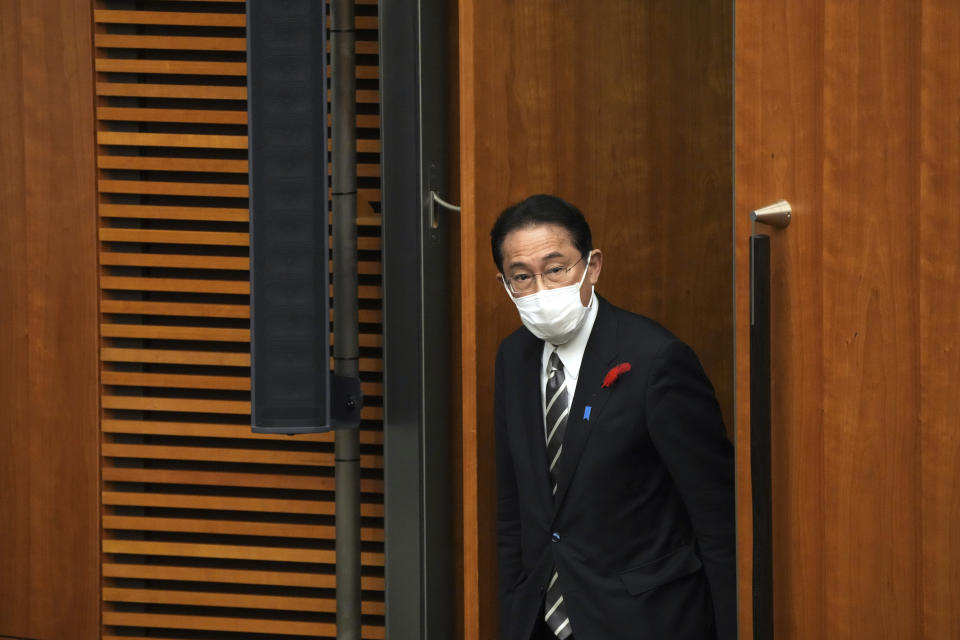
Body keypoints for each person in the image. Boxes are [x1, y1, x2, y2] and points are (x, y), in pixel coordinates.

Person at [492, 195, 736, 640]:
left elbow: (716, 512)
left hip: (645, 617)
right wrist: (515, 610)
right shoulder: (514, 357)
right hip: (542, 617)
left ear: (593, 266)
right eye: (522, 277)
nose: (542, 289)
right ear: (506, 284)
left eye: (556, 268)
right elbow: (514, 506)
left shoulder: (656, 359)